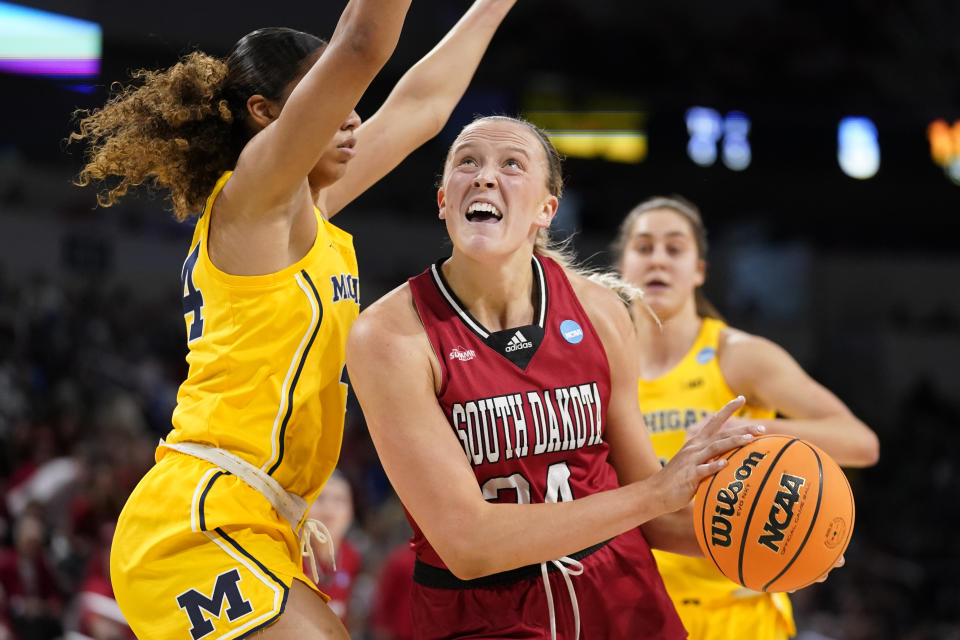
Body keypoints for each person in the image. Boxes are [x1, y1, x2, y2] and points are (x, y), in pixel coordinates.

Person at [68, 0, 520, 636]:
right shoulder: (252, 194)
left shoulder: (308, 208)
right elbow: (363, 43)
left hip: (261, 518)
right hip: (197, 518)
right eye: (329, 94)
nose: (354, 116)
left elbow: (421, 107)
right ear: (267, 114)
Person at [344, 115, 770, 640]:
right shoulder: (388, 336)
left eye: (511, 165)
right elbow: (469, 545)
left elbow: (655, 513)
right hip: (484, 615)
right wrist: (657, 493)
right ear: (442, 201)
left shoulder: (601, 311)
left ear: (546, 210)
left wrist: (778, 549)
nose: (483, 176)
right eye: (467, 162)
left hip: (622, 592)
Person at [612, 195, 880, 640]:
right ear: (622, 266)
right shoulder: (603, 367)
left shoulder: (737, 356)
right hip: (639, 610)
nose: (658, 259)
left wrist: (756, 430)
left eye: (674, 248)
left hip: (739, 617)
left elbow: (861, 441)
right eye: (643, 247)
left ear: (699, 270)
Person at [303, 471, 361, 627]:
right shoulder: (288, 554)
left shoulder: (353, 557)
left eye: (339, 501)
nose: (329, 512)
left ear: (351, 512)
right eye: (320, 499)